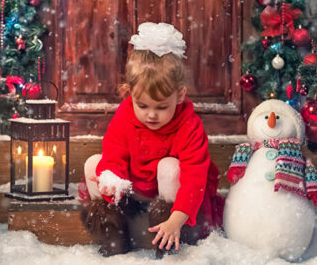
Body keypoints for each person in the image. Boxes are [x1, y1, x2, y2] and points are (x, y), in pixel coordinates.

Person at [79, 22, 224, 258]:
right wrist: (111, 182)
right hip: (132, 193)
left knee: (170, 166)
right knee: (94, 163)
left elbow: (194, 178)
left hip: (167, 199)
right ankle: (114, 236)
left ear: (180, 95)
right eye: (143, 105)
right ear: (130, 93)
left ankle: (167, 241)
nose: (151, 114)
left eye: (161, 106)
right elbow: (113, 153)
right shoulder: (125, 115)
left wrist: (177, 218)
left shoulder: (189, 125)